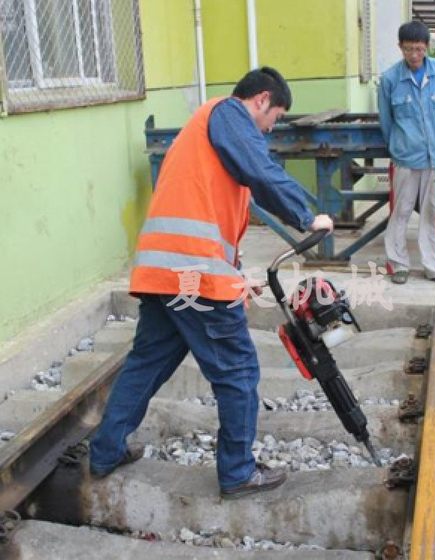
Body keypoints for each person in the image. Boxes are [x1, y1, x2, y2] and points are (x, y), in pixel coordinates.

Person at [89, 67, 334, 499]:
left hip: (165, 273)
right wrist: (306, 215)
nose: (270, 128)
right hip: (193, 277)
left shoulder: (209, 133)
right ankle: (238, 471)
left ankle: (105, 452)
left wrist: (236, 279)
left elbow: (208, 217)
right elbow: (260, 170)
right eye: (274, 116)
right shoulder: (228, 114)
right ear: (260, 100)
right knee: (239, 371)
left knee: (146, 364)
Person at [377, 21, 435, 287]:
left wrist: (434, 140)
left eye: (420, 49)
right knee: (400, 212)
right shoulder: (389, 80)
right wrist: (401, 147)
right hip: (404, 159)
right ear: (400, 47)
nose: (414, 55)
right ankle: (398, 265)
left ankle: (434, 267)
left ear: (427, 47)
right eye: (409, 49)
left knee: (433, 213)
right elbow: (387, 123)